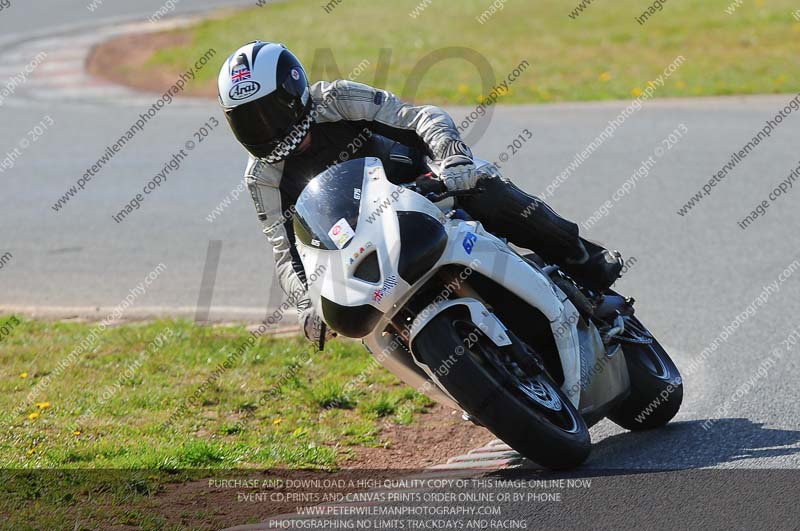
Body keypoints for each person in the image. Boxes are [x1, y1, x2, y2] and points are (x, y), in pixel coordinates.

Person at [217, 41, 623, 343]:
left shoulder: (336, 100)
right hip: (364, 246)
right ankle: (468, 382)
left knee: (484, 188)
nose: (264, 129)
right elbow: (285, 253)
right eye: (248, 122)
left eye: (268, 113)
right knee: (364, 321)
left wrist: (451, 156)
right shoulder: (262, 178)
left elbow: (418, 116)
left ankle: (583, 260)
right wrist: (308, 303)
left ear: (294, 93)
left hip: (424, 186)